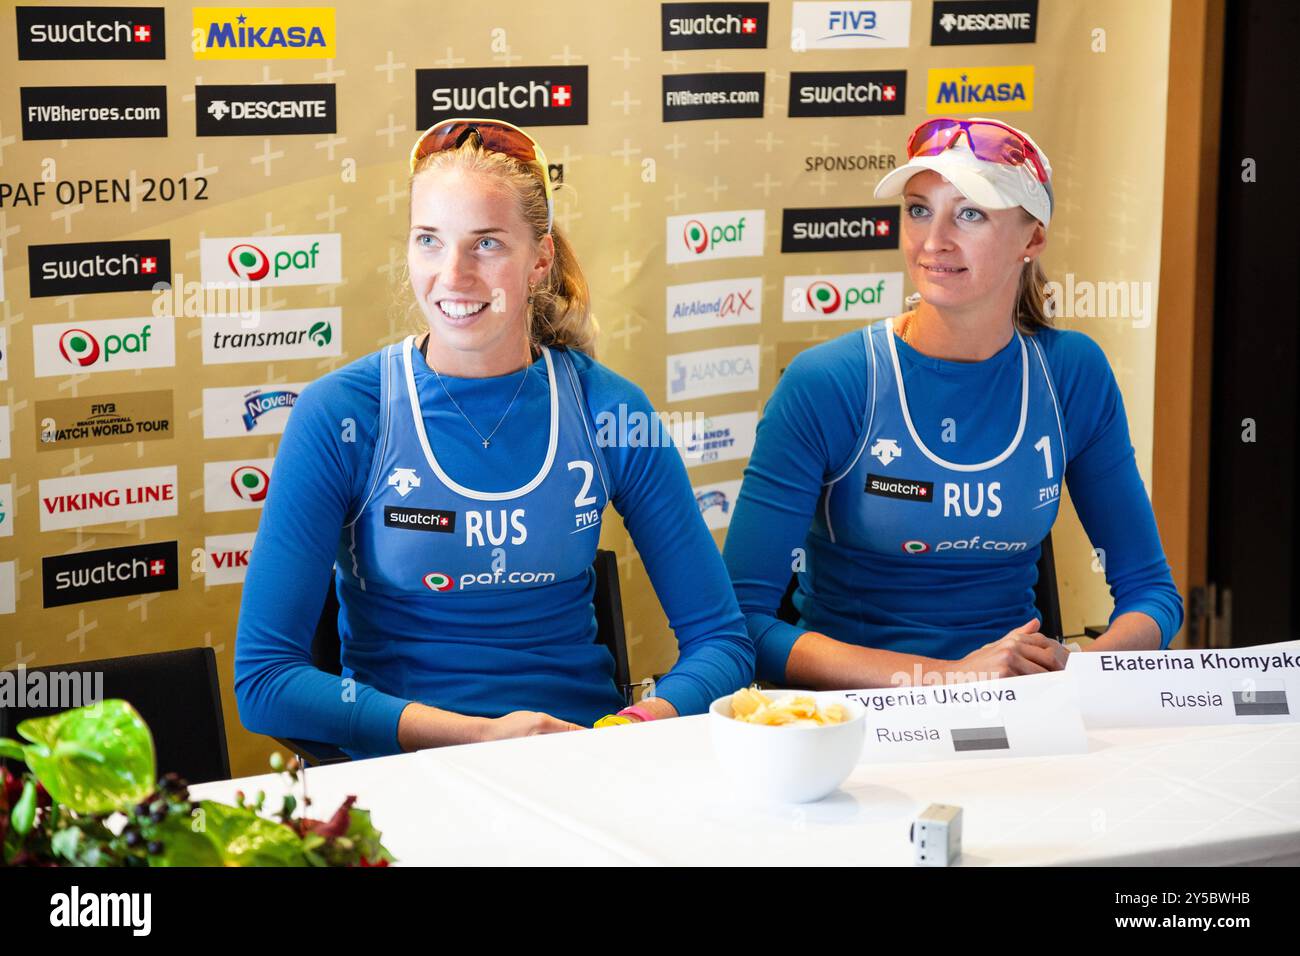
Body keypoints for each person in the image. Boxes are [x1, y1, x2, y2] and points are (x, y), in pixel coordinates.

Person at [235, 118, 753, 758]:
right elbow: (264, 682)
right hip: (406, 781)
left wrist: (634, 728)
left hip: (578, 766)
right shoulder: (342, 413)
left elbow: (723, 642)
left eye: (485, 244)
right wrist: (481, 738)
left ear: (539, 260)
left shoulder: (609, 409)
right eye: (429, 240)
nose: (452, 276)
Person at [723, 117, 1183, 689]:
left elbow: (1151, 593)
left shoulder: (1071, 372)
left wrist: (1074, 671)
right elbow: (742, 625)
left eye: (970, 213)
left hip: (1017, 710)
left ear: (1033, 237)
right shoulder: (830, 381)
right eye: (919, 209)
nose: (934, 240)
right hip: (856, 721)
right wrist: (945, 679)